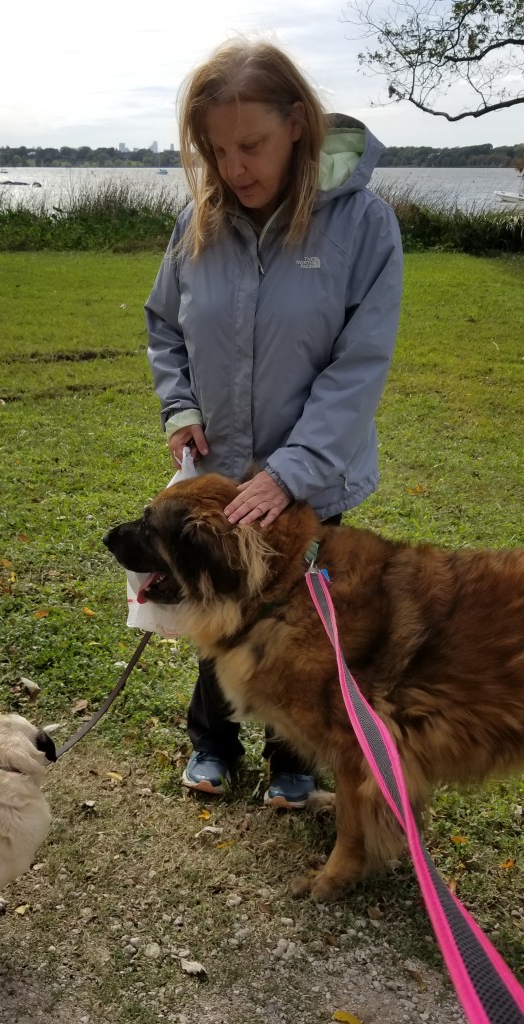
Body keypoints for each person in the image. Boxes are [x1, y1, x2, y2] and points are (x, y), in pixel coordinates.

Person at [144, 37, 404, 809]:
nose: (235, 169)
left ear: (298, 122)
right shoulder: (199, 223)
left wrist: (289, 474)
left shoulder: (365, 226)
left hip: (316, 478)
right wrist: (180, 406)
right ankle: (213, 744)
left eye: (250, 145)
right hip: (222, 465)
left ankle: (295, 759)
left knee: (303, 624)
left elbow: (358, 366)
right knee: (214, 605)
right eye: (217, 151)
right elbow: (165, 325)